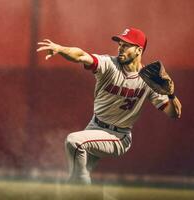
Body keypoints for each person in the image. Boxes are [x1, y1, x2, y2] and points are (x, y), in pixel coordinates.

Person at [36, 28, 182, 184]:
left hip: (118, 136)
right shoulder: (109, 65)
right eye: (120, 44)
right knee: (74, 179)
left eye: (126, 45)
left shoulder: (148, 80)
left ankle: (85, 193)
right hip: (94, 126)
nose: (120, 48)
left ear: (139, 50)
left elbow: (174, 113)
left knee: (74, 142)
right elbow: (81, 56)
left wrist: (172, 95)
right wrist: (60, 49)